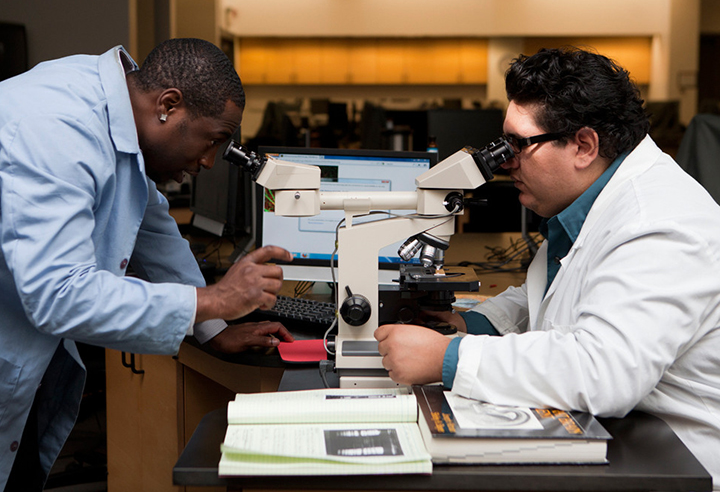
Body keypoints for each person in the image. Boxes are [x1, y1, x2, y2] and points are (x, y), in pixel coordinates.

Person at [376, 47, 720, 487]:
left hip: (675, 462)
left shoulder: (658, 224)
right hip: (626, 437)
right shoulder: (593, 199)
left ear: (583, 145)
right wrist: (473, 322)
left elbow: (604, 370)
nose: (507, 162)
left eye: (520, 144)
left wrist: (448, 357)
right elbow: (558, 294)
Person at [0, 38, 294, 490]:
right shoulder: (57, 128)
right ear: (169, 106)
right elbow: (57, 295)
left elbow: (155, 229)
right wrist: (213, 298)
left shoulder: (117, 108)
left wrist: (213, 327)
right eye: (212, 140)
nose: (208, 161)